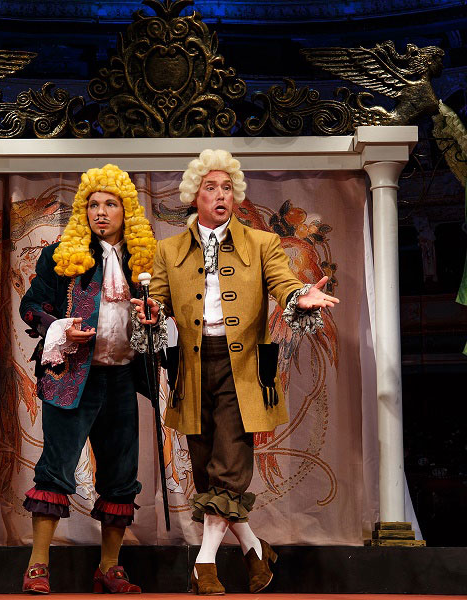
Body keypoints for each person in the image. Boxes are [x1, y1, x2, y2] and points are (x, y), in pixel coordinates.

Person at [132, 149, 339, 595]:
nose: (220, 194)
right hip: (191, 365)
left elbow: (283, 283)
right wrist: (150, 311)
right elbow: (160, 301)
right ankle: (254, 548)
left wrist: (300, 295)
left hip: (242, 367)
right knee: (206, 468)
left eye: (227, 187)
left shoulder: (262, 244)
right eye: (211, 187)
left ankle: (203, 563)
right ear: (194, 196)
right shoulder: (168, 250)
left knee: (230, 465)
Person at [20, 164, 157, 594]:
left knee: (121, 475)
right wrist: (59, 327)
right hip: (73, 376)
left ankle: (109, 567)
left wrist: (156, 320)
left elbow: (161, 318)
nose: (101, 212)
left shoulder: (144, 262)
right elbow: (31, 307)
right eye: (93, 204)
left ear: (126, 210)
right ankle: (37, 565)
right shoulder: (61, 256)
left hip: (121, 378)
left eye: (110, 204)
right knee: (55, 470)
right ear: (84, 210)